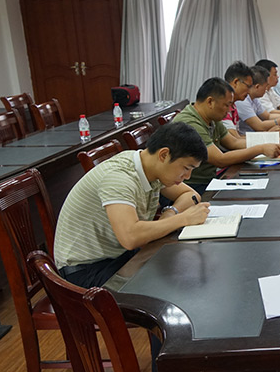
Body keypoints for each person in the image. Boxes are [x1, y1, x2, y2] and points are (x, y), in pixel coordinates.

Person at [54, 122, 210, 288]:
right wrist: (183, 219)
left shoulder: (148, 166)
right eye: (186, 168)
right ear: (164, 155)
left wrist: (171, 212)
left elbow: (190, 195)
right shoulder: (121, 178)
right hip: (87, 270)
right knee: (171, 283)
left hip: (119, 256)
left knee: (179, 268)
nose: (187, 176)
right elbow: (130, 237)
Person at [172, 77, 280, 193]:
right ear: (210, 102)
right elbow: (220, 160)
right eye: (227, 105)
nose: (229, 110)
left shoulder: (211, 118)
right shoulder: (190, 123)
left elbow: (234, 142)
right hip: (193, 185)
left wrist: (269, 140)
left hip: (211, 179)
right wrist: (261, 149)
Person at [233, 65, 280, 132]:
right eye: (266, 86)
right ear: (257, 87)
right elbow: (259, 126)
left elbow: (267, 116)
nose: (266, 90)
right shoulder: (242, 101)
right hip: (247, 136)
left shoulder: (254, 98)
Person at [221, 61, 255, 135]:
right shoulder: (222, 104)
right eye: (248, 86)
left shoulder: (233, 105)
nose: (249, 92)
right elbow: (235, 139)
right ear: (236, 82)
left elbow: (238, 136)